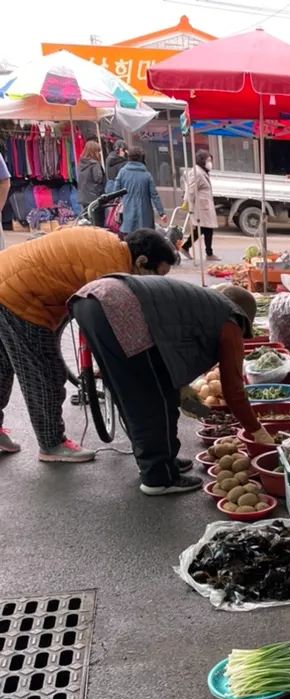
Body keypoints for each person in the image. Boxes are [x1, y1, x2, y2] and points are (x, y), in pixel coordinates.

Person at [68, 280, 274, 494]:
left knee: (130, 393)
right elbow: (233, 390)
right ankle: (159, 478)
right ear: (245, 317)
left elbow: (173, 345)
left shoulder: (205, 306)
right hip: (118, 308)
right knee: (155, 400)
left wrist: (181, 386)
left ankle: (159, 462)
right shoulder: (230, 321)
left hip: (90, 300)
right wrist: (256, 430)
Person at [0, 226, 177, 461]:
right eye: (156, 275)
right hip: (18, 295)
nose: (155, 283)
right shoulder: (110, 272)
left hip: (7, 275)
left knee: (3, 366)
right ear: (141, 261)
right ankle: (52, 444)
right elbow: (111, 329)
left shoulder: (110, 245)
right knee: (45, 373)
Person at [112, 149, 165, 235]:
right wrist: (161, 213)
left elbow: (116, 191)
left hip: (127, 213)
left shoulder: (122, 172)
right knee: (145, 238)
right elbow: (154, 195)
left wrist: (124, 199)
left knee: (129, 239)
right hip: (145, 215)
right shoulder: (147, 175)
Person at [181, 150, 219, 262]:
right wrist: (188, 204)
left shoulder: (202, 171)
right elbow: (191, 190)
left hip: (204, 206)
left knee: (204, 229)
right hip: (201, 207)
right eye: (208, 160)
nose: (210, 163)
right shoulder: (197, 172)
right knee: (204, 229)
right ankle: (207, 253)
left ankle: (188, 248)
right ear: (202, 161)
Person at [76, 139, 105, 215]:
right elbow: (98, 179)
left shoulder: (81, 163)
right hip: (94, 197)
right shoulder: (95, 164)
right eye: (98, 151)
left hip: (83, 197)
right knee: (98, 219)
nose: (99, 154)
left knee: (88, 218)